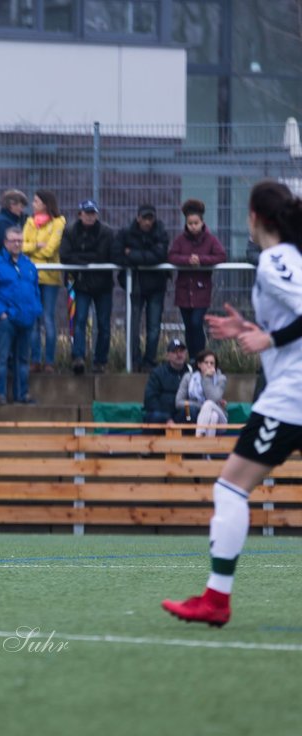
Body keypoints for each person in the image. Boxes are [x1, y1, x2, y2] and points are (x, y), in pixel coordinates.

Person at [163, 180, 302, 627]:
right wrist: (254, 329)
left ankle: (215, 600)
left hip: (293, 396)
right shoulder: (289, 260)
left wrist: (271, 336)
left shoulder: (275, 260)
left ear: (254, 216)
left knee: (229, 489)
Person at [0, 227, 41, 405]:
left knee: (23, 359)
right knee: (1, 357)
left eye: (19, 241)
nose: (17, 244)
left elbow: (35, 290)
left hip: (26, 319)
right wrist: (2, 313)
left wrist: (35, 311)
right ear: (5, 242)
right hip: (6, 320)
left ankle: (21, 394)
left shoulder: (28, 264)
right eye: (13, 240)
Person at [113, 203, 171, 369]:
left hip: (156, 287)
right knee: (133, 326)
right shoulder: (126, 233)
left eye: (150, 218)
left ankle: (149, 361)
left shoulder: (161, 233)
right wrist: (145, 257)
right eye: (144, 218)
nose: (147, 222)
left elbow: (160, 256)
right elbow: (116, 255)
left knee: (153, 328)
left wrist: (132, 254)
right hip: (135, 286)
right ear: (138, 218)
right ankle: (134, 361)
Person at [61, 200, 115, 374]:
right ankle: (78, 358)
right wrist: (90, 259)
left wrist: (82, 258)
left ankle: (101, 361)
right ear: (80, 214)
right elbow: (65, 256)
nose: (90, 217)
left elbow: (105, 257)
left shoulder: (106, 232)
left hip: (103, 285)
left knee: (104, 325)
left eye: (93, 213)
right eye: (87, 213)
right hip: (81, 284)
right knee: (79, 322)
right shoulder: (70, 231)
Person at [168, 198, 228, 356]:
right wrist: (187, 260)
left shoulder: (211, 240)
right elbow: (172, 256)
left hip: (202, 290)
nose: (193, 226)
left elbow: (221, 256)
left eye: (196, 223)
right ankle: (193, 358)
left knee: (196, 323)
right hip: (183, 290)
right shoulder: (180, 240)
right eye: (190, 223)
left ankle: (200, 356)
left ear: (202, 222)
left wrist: (201, 260)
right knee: (189, 326)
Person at [22, 189, 66, 373]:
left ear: (46, 204)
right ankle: (35, 360)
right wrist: (35, 246)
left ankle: (49, 360)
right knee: (33, 320)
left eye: (36, 201)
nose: (33, 204)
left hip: (50, 277)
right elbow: (22, 246)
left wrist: (33, 251)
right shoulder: (29, 222)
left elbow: (51, 249)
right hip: (31, 277)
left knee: (47, 318)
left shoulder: (58, 222)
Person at [176, 349, 228, 436]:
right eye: (206, 362)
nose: (209, 365)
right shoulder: (189, 377)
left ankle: (199, 436)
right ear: (199, 364)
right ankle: (207, 447)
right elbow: (178, 402)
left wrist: (206, 378)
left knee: (209, 404)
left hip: (221, 421)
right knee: (212, 415)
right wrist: (200, 406)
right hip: (194, 416)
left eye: (212, 363)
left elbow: (213, 399)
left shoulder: (221, 378)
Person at [142, 338, 191, 424]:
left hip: (182, 415)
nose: (179, 355)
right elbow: (150, 399)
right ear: (168, 355)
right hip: (162, 416)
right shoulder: (157, 373)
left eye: (182, 351)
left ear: (186, 354)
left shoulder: (192, 373)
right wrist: (166, 418)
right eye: (175, 352)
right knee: (154, 416)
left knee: (191, 414)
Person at [0, 189, 28, 254]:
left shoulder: (9, 221)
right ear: (12, 204)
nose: (22, 210)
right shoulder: (3, 223)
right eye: (21, 206)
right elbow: (8, 247)